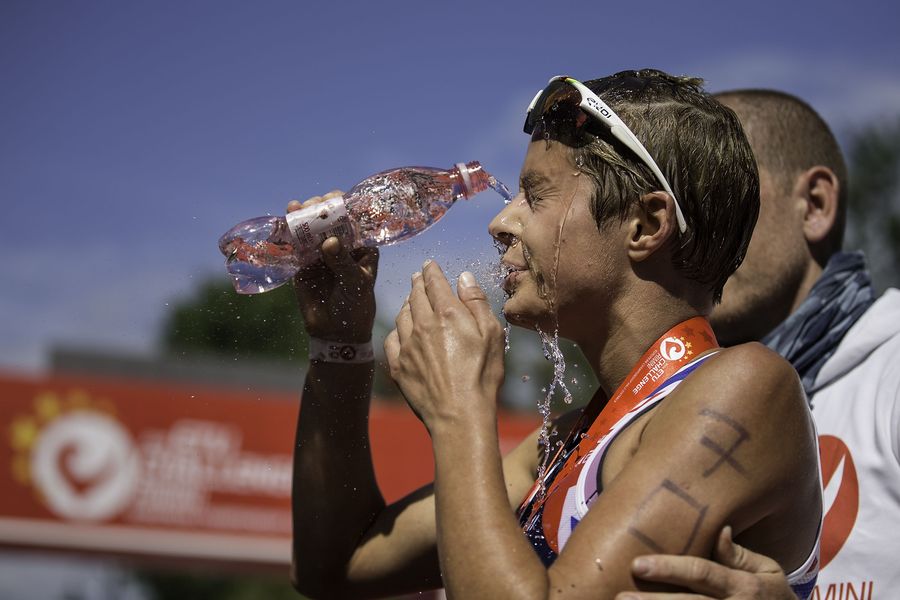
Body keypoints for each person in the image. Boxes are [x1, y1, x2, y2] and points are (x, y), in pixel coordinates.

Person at [289, 71, 822, 599]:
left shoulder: (750, 388)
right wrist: (339, 344)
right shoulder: (563, 443)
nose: (499, 223)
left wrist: (459, 415)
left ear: (645, 226)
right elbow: (335, 566)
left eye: (535, 196)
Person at [619, 91, 900, 599]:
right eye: (674, 206)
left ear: (814, 204)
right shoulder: (665, 401)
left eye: (724, 197)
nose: (682, 233)